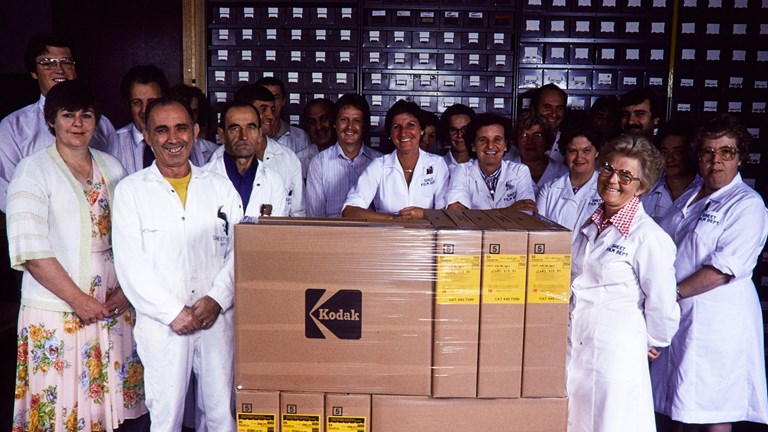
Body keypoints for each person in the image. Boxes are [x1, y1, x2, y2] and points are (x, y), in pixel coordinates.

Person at [7, 80, 147, 431]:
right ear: (50, 119)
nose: (78, 124)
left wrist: (127, 291)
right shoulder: (32, 170)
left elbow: (135, 236)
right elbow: (32, 252)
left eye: (86, 115)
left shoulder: (112, 166)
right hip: (60, 309)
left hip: (112, 306)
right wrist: (79, 301)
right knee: (63, 410)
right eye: (68, 115)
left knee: (110, 412)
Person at [112, 97, 243, 432]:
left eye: (181, 128)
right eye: (162, 130)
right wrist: (173, 312)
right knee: (167, 416)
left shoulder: (218, 186)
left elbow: (240, 250)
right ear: (148, 135)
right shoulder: (131, 192)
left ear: (195, 131)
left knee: (220, 413)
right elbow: (131, 265)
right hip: (164, 324)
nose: (173, 138)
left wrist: (217, 299)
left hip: (215, 317)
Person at [653, 114, 768, 432]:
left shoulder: (747, 205)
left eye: (726, 151)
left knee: (715, 412)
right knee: (679, 406)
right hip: (682, 318)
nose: (716, 160)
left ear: (740, 156)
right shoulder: (691, 195)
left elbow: (721, 270)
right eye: (708, 152)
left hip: (718, 323)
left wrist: (671, 295)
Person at [568, 134, 680, 432]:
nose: (613, 180)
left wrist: (651, 340)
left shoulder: (650, 238)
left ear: (641, 186)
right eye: (608, 169)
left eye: (626, 175)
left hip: (615, 355)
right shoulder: (589, 224)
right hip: (578, 347)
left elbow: (663, 304)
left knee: (612, 423)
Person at [0, 32, 116, 212]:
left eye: (66, 62)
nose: (59, 70)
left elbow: (115, 181)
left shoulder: (102, 125)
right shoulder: (13, 127)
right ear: (33, 72)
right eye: (48, 64)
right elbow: (6, 193)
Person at [343, 100, 449, 220]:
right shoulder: (379, 166)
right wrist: (392, 219)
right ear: (390, 134)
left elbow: (446, 214)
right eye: (397, 127)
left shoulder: (437, 165)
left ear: (421, 130)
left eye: (411, 125)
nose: (403, 133)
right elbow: (350, 210)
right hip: (387, 236)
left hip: (427, 237)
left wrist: (423, 214)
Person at [112, 66, 215, 174]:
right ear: (128, 104)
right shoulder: (113, 145)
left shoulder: (203, 149)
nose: (144, 110)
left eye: (151, 101)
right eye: (137, 102)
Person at [205, 101, 287, 218]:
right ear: (222, 135)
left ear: (259, 135)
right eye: (235, 129)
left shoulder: (274, 182)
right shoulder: (202, 180)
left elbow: (274, 234)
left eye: (251, 128)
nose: (243, 136)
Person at [305, 94, 382, 218]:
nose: (350, 127)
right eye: (344, 120)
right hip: (331, 234)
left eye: (357, 120)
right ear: (334, 124)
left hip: (369, 234)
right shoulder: (319, 163)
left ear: (365, 126)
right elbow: (315, 217)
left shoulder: (379, 162)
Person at [234, 84, 305, 216]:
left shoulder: (288, 157)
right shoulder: (220, 157)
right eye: (263, 109)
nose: (271, 116)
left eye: (272, 110)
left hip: (279, 235)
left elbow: (298, 212)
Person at [445, 113, 536, 212]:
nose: (490, 146)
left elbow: (526, 215)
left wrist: (475, 215)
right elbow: (456, 213)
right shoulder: (462, 171)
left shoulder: (520, 171)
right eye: (483, 140)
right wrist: (509, 210)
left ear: (505, 145)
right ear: (473, 146)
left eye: (497, 139)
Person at [537, 126, 603, 236]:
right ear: (565, 153)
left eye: (586, 151)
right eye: (572, 151)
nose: (579, 157)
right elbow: (538, 231)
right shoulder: (548, 190)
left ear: (597, 152)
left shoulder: (606, 187)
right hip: (555, 252)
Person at [640, 121, 702, 221]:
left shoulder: (704, 190)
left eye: (678, 152)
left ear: (692, 153)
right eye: (664, 152)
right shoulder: (647, 190)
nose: (670, 159)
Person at [511, 111, 568, 195]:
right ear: (516, 141)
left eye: (537, 136)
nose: (530, 142)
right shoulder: (506, 172)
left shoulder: (564, 173)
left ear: (547, 140)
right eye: (523, 136)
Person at [255, 76, 311, 154]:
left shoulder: (301, 137)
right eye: (265, 98)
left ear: (283, 101)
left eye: (275, 98)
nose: (271, 103)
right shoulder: (246, 136)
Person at [297, 98, 337, 181]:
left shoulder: (349, 157)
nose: (318, 127)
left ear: (334, 121)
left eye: (324, 119)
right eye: (312, 122)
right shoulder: (298, 161)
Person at [532, 83, 568, 163]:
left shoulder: (570, 142)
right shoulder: (518, 143)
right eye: (547, 107)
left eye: (559, 108)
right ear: (534, 108)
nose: (554, 114)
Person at [439, 104, 475, 172]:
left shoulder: (482, 165)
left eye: (465, 129)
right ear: (446, 132)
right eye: (453, 130)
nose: (459, 135)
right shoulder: (438, 165)